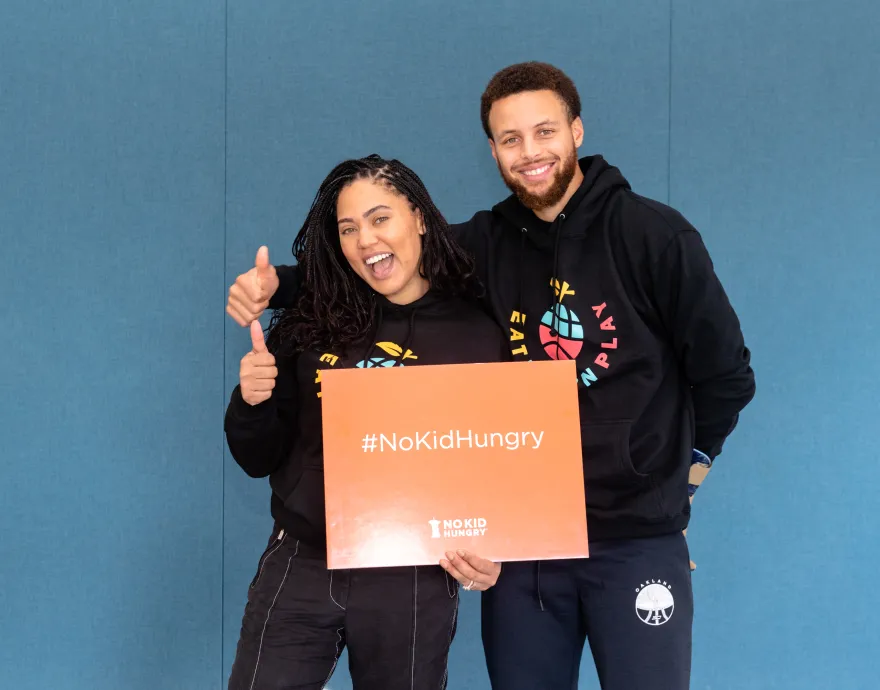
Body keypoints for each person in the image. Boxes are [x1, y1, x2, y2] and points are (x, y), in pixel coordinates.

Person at [226, 62, 757, 690]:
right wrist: (278, 285)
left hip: (636, 536)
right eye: (511, 139)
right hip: (528, 545)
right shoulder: (487, 242)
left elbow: (727, 377)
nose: (530, 153)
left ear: (576, 130)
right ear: (493, 150)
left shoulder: (655, 236)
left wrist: (684, 478)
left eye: (544, 131)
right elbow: (383, 256)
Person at [224, 154, 507, 690]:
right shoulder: (314, 319)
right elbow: (256, 457)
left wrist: (496, 547)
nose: (365, 240)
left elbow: (499, 457)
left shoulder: (476, 335)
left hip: (414, 577)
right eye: (348, 228)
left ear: (420, 218)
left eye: (380, 219)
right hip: (302, 561)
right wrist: (251, 401)